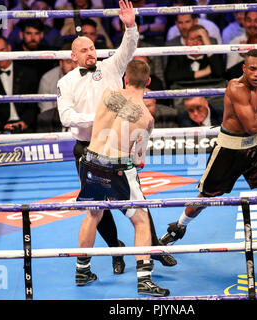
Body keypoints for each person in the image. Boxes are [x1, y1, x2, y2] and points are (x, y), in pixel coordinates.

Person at [56, 0, 176, 277]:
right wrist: (100, 119)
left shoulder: (110, 67)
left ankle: (154, 247)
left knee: (139, 202)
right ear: (73, 56)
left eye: (92, 47)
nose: (90, 52)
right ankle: (114, 248)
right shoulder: (66, 83)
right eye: (83, 50)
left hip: (118, 147)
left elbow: (129, 48)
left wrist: (130, 25)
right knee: (98, 209)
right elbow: (66, 118)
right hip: (88, 147)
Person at [159, 49, 257, 259]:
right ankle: (178, 227)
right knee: (205, 198)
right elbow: (250, 125)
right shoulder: (236, 88)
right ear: (244, 68)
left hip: (255, 148)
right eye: (252, 69)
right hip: (229, 150)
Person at [75, 59, 169, 296]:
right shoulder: (146, 118)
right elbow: (138, 160)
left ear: (125, 78)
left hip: (90, 159)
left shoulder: (108, 93)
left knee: (93, 214)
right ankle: (144, 279)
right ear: (148, 82)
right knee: (141, 219)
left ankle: (82, 270)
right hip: (116, 168)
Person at [36, 43, 77, 133]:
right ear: (61, 63)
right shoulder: (47, 79)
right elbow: (46, 112)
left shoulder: (88, 77)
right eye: (69, 62)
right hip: (57, 122)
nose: (73, 67)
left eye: (76, 62)